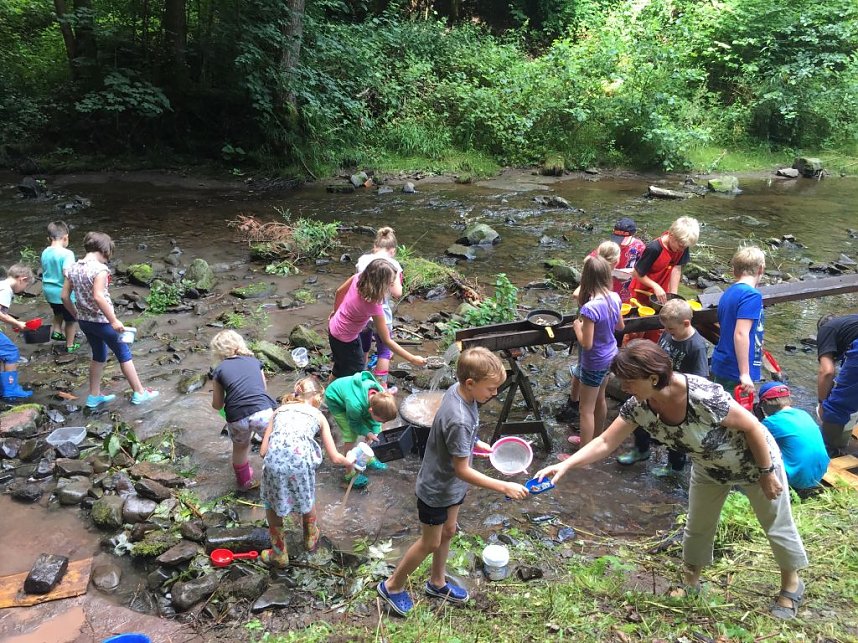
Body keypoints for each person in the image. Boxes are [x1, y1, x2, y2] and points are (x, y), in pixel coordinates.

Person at [536, 340, 808, 620]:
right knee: (698, 526)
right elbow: (606, 441)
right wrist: (567, 464)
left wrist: (766, 473)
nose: (624, 388)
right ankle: (691, 582)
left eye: (629, 382)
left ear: (653, 377)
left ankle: (791, 584)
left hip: (753, 461)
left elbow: (752, 426)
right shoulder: (639, 406)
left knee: (774, 522)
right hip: (709, 466)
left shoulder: (701, 395)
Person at [377, 347, 529, 617]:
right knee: (430, 542)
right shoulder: (459, 417)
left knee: (449, 531)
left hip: (451, 489)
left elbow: (458, 440)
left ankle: (437, 582)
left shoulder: (457, 393)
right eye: (491, 389)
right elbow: (462, 470)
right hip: (437, 489)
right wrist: (503, 486)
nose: (494, 394)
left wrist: (475, 444)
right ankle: (392, 586)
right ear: (470, 383)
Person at [259, 376, 353, 568]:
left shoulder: (278, 411)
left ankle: (279, 553)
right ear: (318, 398)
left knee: (271, 503)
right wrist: (350, 461)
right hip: (301, 463)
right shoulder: (318, 416)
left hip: (274, 463)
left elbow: (262, 451)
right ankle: (310, 538)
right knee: (307, 496)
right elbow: (335, 457)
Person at [62, 231, 159, 409]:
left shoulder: (72, 268)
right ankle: (139, 392)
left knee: (98, 355)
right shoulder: (99, 269)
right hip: (103, 321)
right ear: (105, 251)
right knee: (124, 354)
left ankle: (94, 396)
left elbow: (64, 296)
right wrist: (114, 320)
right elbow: (99, 297)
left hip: (85, 322)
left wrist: (76, 314)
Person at [618, 298, 708, 476]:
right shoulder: (669, 333)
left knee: (677, 434)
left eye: (670, 329)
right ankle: (641, 450)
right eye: (665, 328)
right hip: (655, 389)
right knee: (641, 417)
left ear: (686, 323)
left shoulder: (696, 347)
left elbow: (700, 379)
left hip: (678, 397)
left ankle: (675, 467)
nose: (666, 332)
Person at [329, 258, 426, 379]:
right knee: (357, 374)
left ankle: (327, 392)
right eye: (390, 284)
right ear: (380, 285)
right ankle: (345, 395)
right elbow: (386, 340)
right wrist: (412, 358)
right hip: (346, 340)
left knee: (340, 366)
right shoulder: (374, 306)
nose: (391, 286)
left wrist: (335, 312)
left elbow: (339, 292)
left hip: (333, 329)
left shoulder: (358, 278)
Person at [559, 241, 622, 425]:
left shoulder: (589, 308)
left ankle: (585, 450)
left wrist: (578, 328)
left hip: (594, 361)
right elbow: (620, 326)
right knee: (600, 399)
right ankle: (596, 439)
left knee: (585, 410)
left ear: (585, 279)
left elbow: (587, 344)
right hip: (611, 355)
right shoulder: (615, 297)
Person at [210, 329, 277, 491]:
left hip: (237, 417)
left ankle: (244, 482)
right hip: (262, 412)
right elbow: (263, 388)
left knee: (240, 448)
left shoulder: (218, 371)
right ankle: (280, 479)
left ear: (218, 353)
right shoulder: (254, 362)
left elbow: (218, 405)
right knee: (274, 444)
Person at [627, 216, 699, 342]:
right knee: (637, 328)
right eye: (680, 246)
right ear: (671, 235)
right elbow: (637, 273)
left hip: (661, 292)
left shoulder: (682, 245)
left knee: (658, 326)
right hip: (641, 291)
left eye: (684, 247)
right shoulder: (654, 248)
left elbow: (676, 269)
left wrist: (673, 295)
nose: (681, 249)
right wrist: (655, 286)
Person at [324, 370, 397, 489]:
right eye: (381, 420)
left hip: (356, 400)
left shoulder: (381, 394)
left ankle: (366, 458)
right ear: (370, 410)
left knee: (371, 427)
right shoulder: (355, 405)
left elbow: (373, 421)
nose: (382, 423)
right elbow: (355, 424)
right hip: (336, 400)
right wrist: (367, 432)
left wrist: (375, 430)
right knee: (350, 434)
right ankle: (349, 473)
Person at [710, 246, 766, 395]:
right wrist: (745, 374)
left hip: (722, 362)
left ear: (735, 271)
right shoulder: (752, 295)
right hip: (735, 369)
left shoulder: (730, 292)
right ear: (761, 269)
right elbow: (741, 333)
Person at [355, 227, 404, 392]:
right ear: (393, 251)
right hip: (381, 315)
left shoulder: (363, 260)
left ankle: (361, 379)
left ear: (374, 247)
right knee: (384, 351)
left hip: (361, 314)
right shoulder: (394, 264)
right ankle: (381, 386)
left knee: (364, 346)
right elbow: (397, 293)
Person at [757, 382, 829, 491]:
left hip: (797, 480)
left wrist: (757, 420)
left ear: (766, 403)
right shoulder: (803, 413)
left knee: (758, 452)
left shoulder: (770, 422)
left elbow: (754, 441)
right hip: (820, 473)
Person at [815, 313, 858, 455]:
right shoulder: (850, 323)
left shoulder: (826, 329)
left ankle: (830, 450)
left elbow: (827, 372)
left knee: (836, 407)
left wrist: (822, 403)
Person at [41, 221, 80, 353]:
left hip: (48, 290)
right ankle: (70, 345)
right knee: (71, 319)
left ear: (49, 238)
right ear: (66, 237)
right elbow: (66, 272)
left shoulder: (45, 252)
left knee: (57, 311)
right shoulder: (67, 253)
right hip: (62, 291)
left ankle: (57, 331)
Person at [0, 264, 35, 399]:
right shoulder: (5, 290)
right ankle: (11, 389)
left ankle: (3, 387)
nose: (23, 290)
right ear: (22, 279)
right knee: (10, 352)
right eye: (25, 285)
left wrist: (13, 323)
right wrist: (17, 323)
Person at [608, 217, 647, 303]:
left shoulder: (639, 247)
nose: (620, 243)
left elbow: (643, 269)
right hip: (611, 286)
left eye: (623, 240)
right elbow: (591, 260)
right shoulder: (610, 245)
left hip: (629, 287)